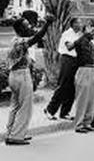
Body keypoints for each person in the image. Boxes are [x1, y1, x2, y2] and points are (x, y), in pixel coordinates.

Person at [5, 14, 55, 145]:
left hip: (14, 76)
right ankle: (16, 136)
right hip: (21, 75)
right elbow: (37, 38)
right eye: (26, 25)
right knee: (25, 107)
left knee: (15, 106)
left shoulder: (14, 40)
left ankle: (12, 132)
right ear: (20, 29)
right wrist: (47, 24)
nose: (29, 27)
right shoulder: (20, 41)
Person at [44, 18, 82, 120]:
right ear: (73, 24)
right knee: (63, 85)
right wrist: (81, 40)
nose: (80, 25)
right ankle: (50, 109)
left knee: (72, 88)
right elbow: (69, 47)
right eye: (78, 22)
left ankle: (65, 112)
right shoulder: (67, 34)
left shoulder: (78, 35)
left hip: (76, 61)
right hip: (67, 59)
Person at [71, 24, 94, 134]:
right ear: (83, 32)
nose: (93, 32)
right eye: (90, 30)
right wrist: (84, 35)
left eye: (93, 31)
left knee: (92, 99)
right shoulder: (80, 42)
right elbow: (72, 46)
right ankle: (79, 124)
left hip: (93, 70)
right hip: (83, 70)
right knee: (82, 99)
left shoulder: (91, 44)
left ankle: (87, 122)